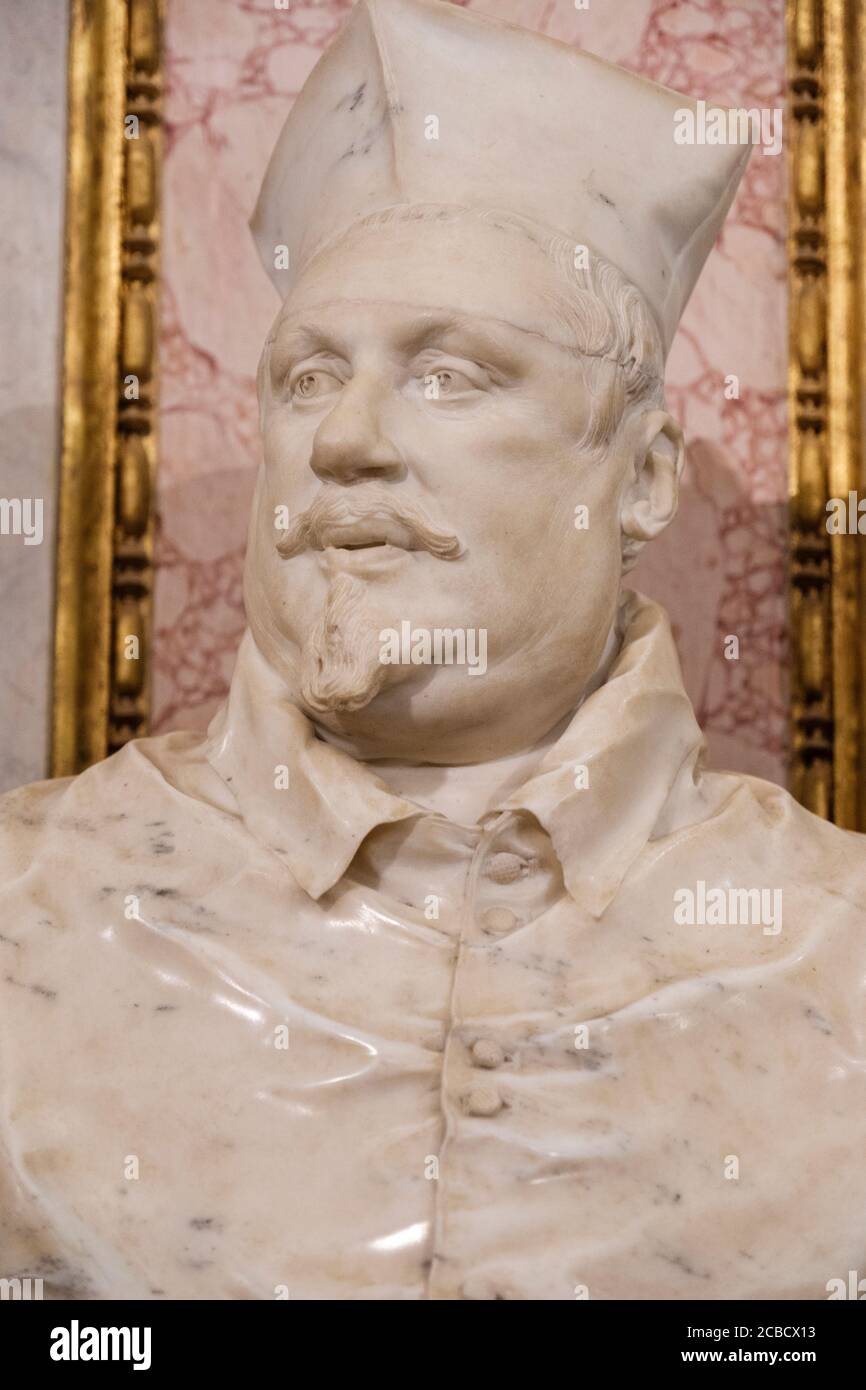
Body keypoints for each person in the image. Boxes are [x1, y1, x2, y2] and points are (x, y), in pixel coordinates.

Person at [2, 0, 865, 1300]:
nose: (344, 439)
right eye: (305, 379)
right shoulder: (30, 914)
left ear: (638, 479)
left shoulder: (831, 958)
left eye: (450, 375)